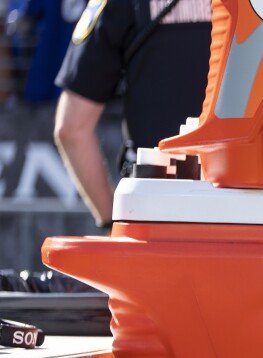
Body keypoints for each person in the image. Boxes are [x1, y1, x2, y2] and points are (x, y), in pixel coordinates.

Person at [52, 0, 208, 227]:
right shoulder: (261, 9)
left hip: (152, 214)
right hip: (248, 210)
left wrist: (113, 224)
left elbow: (71, 129)